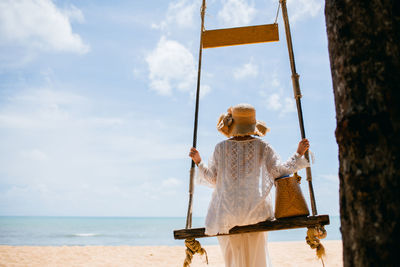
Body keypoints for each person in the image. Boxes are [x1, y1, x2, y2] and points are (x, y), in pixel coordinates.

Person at [189, 103, 310, 267]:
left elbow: (212, 179)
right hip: (255, 213)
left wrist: (199, 162)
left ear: (233, 126)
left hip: (226, 215)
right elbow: (278, 172)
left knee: (232, 260)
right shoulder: (262, 147)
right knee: (256, 259)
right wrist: (298, 154)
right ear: (253, 126)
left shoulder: (220, 148)